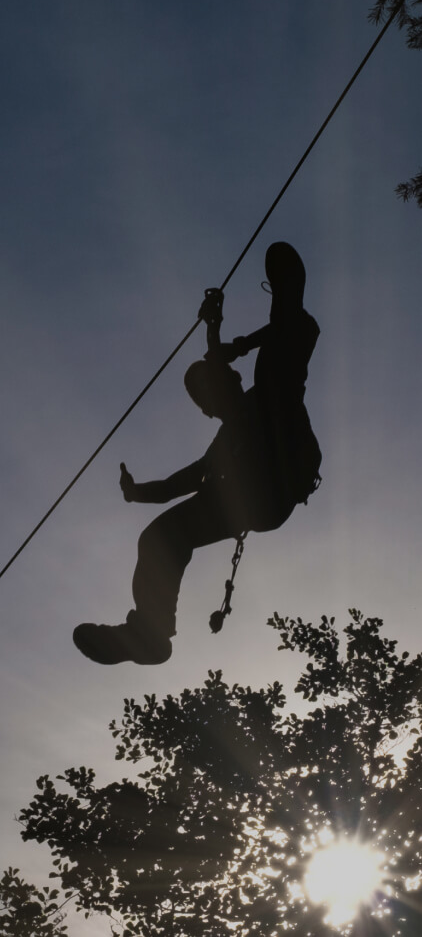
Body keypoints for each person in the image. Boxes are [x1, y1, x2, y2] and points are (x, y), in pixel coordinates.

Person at [73, 242, 321, 666]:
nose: (209, 399)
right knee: (159, 538)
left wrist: (225, 339)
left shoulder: (264, 394)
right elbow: (178, 484)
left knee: (276, 367)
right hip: (256, 502)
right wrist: (135, 494)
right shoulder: (225, 445)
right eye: (203, 396)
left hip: (273, 477)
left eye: (209, 387)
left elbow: (285, 339)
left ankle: (287, 297)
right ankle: (148, 633)